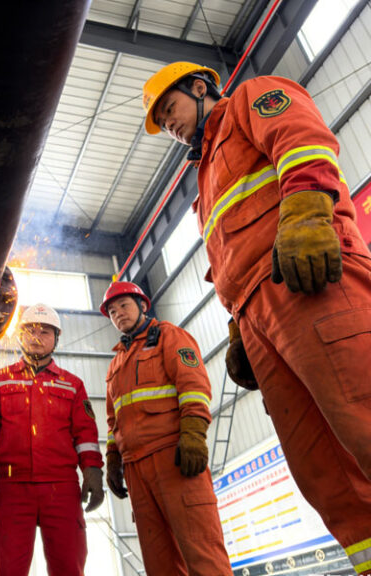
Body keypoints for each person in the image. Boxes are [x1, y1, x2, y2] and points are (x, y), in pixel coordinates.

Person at [143, 62, 371, 574]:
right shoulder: (203, 185)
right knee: (322, 467)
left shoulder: (251, 99)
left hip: (307, 272)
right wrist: (236, 328)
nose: (170, 126)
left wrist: (310, 211)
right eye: (161, 121)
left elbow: (302, 137)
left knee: (364, 418)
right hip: (257, 318)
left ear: (199, 88)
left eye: (170, 109)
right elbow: (226, 258)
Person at [101, 281, 232, 575]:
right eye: (112, 311)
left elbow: (194, 386)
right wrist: (113, 458)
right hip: (135, 469)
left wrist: (194, 435)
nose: (118, 313)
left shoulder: (169, 337)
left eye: (123, 305)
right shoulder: (114, 365)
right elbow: (113, 420)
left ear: (143, 305)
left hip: (173, 456)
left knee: (202, 551)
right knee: (159, 562)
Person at [0, 303, 104, 576]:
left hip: (62, 489)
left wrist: (92, 471)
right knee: (6, 568)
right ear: (19, 336)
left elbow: (86, 435)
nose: (37, 337)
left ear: (57, 339)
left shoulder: (72, 384)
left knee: (69, 565)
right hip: (10, 487)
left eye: (45, 332)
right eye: (30, 331)